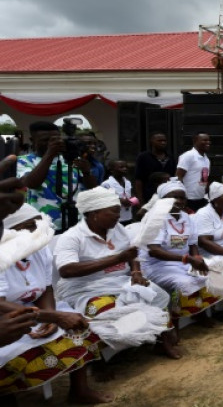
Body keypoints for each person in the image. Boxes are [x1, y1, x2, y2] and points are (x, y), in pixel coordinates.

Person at [0, 205, 110, 403]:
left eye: (36, 224)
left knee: (79, 325)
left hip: (37, 311)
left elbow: (46, 288)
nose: (35, 231)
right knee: (24, 356)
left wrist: (49, 314)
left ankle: (80, 390)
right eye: (27, 227)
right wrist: (52, 317)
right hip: (7, 320)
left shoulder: (38, 249)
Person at [54, 187, 177, 358]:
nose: (118, 216)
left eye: (118, 211)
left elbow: (132, 252)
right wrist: (116, 259)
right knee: (106, 308)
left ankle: (161, 340)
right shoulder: (72, 237)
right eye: (113, 211)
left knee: (155, 295)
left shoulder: (117, 228)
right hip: (86, 288)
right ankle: (101, 358)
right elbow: (66, 270)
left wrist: (135, 272)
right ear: (94, 213)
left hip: (120, 280)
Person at [140, 182, 217, 331]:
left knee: (210, 276)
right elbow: (154, 251)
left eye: (182, 198)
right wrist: (188, 259)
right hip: (156, 266)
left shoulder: (186, 217)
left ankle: (198, 312)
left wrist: (197, 259)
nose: (179, 201)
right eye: (174, 197)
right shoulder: (154, 218)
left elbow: (193, 244)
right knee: (186, 283)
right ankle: (173, 323)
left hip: (183, 262)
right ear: (162, 199)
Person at [17, 121, 97, 233]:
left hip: (75, 222)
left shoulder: (70, 159)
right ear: (32, 141)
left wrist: (87, 172)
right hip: (43, 225)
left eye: (56, 139)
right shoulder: (23, 161)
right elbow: (31, 183)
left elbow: (93, 189)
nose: (52, 143)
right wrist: (50, 153)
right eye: (45, 140)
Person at [134, 132, 177, 204]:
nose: (163, 143)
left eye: (164, 141)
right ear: (152, 142)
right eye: (159, 141)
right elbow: (138, 179)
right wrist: (140, 199)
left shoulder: (170, 158)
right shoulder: (143, 157)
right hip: (149, 196)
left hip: (167, 195)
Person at [176, 133, 211, 212]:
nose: (208, 142)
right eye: (205, 140)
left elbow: (205, 179)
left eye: (209, 140)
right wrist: (181, 198)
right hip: (188, 199)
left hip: (202, 198)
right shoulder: (188, 156)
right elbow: (179, 176)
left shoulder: (206, 159)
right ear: (195, 141)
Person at [101, 160, 136, 226]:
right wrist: (120, 201)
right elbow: (104, 199)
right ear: (111, 170)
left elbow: (132, 196)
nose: (125, 169)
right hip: (115, 218)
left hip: (128, 216)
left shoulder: (128, 182)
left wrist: (132, 201)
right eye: (121, 167)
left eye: (126, 167)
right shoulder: (107, 184)